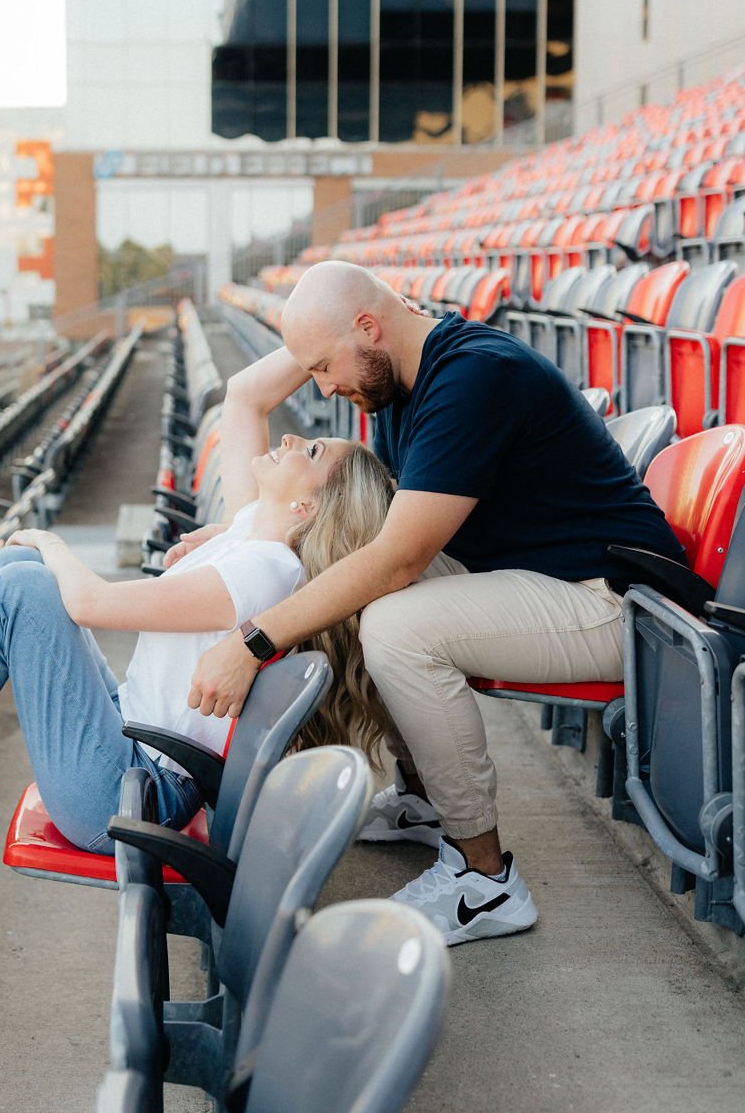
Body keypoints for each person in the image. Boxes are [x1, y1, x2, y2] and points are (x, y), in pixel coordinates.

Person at [183, 261, 687, 946]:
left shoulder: (474, 376)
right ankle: (422, 799)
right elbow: (370, 538)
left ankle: (486, 880)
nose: (324, 386)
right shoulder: (399, 383)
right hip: (540, 579)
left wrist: (253, 640)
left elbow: (401, 558)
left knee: (396, 620)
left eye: (324, 366)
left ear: (369, 327)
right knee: (344, 573)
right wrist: (246, 536)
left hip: (614, 603)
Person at [0, 348, 393, 851]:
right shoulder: (250, 532)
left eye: (311, 452)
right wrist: (324, 339)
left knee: (22, 578)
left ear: (308, 509)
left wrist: (48, 539)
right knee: (16, 566)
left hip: (127, 794)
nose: (292, 439)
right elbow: (243, 397)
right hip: (129, 750)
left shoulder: (264, 571)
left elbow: (91, 604)